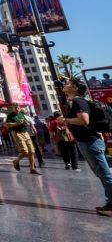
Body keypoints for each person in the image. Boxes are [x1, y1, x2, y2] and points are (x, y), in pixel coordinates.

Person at [61, 76, 112, 216]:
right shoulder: (79, 100)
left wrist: (65, 119)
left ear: (75, 88)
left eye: (68, 83)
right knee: (102, 172)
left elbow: (84, 120)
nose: (65, 84)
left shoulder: (78, 101)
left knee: (104, 173)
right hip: (89, 141)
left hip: (89, 141)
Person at [5, 103, 41, 175]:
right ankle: (16, 161)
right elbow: (7, 124)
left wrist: (26, 123)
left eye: (18, 107)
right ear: (13, 108)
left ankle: (32, 168)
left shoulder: (21, 114)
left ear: (20, 108)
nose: (17, 109)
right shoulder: (10, 115)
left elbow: (26, 122)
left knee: (32, 151)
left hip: (25, 132)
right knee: (24, 151)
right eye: (15, 108)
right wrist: (17, 123)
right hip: (17, 133)